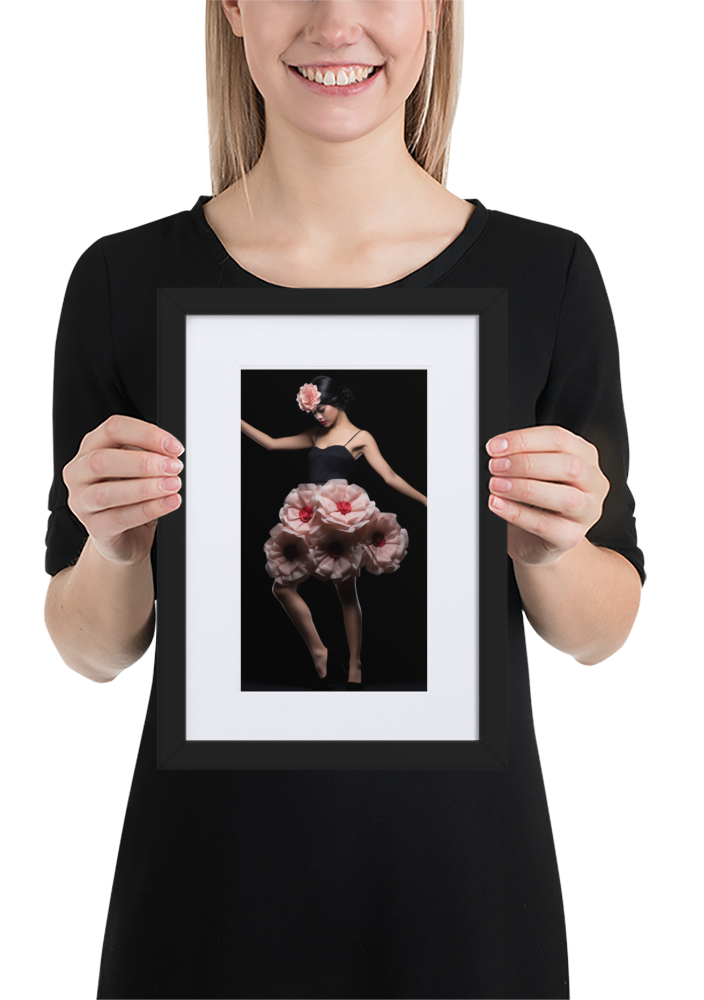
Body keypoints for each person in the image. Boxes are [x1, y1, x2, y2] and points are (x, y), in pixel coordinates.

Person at [43, 1, 645, 996]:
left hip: (465, 911)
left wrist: (550, 550)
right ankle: (335, 651)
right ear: (232, 10)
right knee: (310, 589)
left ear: (438, 14)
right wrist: (114, 547)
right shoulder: (120, 281)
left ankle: (347, 652)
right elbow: (90, 650)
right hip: (204, 911)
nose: (335, 20)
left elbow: (599, 632)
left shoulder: (549, 273)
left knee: (352, 592)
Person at [243, 374, 426, 690]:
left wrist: (427, 500)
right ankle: (319, 650)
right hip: (310, 514)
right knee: (282, 587)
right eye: (314, 412)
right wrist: (235, 419)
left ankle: (355, 665)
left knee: (347, 595)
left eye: (322, 409)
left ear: (337, 402)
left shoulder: (361, 436)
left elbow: (390, 476)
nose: (319, 416)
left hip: (342, 516)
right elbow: (272, 444)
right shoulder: (314, 434)